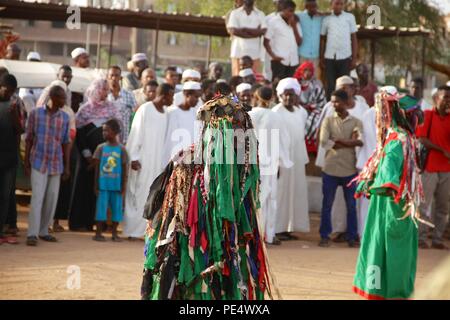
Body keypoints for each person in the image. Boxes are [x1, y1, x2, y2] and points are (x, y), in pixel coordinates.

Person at [140, 95, 273, 300]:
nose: (238, 135)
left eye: (242, 128)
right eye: (231, 129)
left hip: (229, 252)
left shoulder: (244, 170)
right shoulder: (186, 164)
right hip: (193, 250)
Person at [352, 90, 426, 300]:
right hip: (396, 205)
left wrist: (376, 184)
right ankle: (394, 292)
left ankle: (389, 292)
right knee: (394, 249)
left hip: (392, 204)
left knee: (385, 247)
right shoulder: (399, 138)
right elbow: (385, 171)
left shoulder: (397, 138)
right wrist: (375, 181)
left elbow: (388, 175)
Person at [123, 83, 174, 240]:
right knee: (138, 195)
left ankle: (146, 231)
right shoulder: (145, 109)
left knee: (151, 196)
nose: (173, 98)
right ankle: (132, 231)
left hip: (156, 162)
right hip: (142, 161)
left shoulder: (166, 113)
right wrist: (134, 158)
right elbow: (136, 134)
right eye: (171, 95)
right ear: (164, 96)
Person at [69, 79, 121, 232]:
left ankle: (99, 223)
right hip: (86, 158)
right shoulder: (85, 109)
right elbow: (80, 135)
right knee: (83, 187)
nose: (104, 93)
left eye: (106, 90)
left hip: (106, 159)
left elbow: (117, 132)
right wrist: (88, 156)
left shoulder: (112, 108)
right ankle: (79, 223)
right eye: (101, 89)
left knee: (101, 190)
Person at [24, 85, 71, 246]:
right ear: (53, 97)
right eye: (62, 98)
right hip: (38, 160)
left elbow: (66, 143)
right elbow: (29, 139)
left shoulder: (64, 118)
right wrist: (26, 163)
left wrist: (67, 166)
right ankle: (32, 234)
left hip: (55, 162)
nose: (65, 101)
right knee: (37, 198)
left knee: (51, 199)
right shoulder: (35, 114)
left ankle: (44, 231)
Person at [318, 89, 363, 248]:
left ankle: (352, 237)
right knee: (326, 205)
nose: (334, 104)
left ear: (345, 103)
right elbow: (324, 142)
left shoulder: (356, 121)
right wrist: (348, 141)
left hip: (349, 170)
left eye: (336, 101)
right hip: (330, 169)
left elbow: (359, 141)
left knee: (351, 206)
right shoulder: (328, 120)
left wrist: (337, 140)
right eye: (332, 101)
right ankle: (324, 236)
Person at [249, 86, 290, 245]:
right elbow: (284, 141)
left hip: (251, 163)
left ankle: (252, 234)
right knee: (269, 200)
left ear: (256, 97)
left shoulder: (249, 115)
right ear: (272, 98)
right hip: (270, 163)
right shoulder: (276, 117)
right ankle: (268, 235)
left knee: (252, 198)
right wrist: (281, 161)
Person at [37, 80, 77, 233]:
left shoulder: (68, 113)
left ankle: (53, 222)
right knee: (40, 194)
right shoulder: (39, 110)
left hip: (59, 158)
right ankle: (39, 226)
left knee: (55, 194)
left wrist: (65, 158)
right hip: (40, 159)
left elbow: (71, 137)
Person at [273, 78, 309, 241]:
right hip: (282, 159)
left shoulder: (302, 112)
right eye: (286, 94)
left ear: (297, 96)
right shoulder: (275, 113)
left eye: (292, 95)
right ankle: (277, 229)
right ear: (280, 95)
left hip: (297, 158)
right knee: (281, 193)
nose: (288, 98)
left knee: (296, 193)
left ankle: (289, 227)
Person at [416, 85, 450, 250]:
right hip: (429, 167)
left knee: (443, 206)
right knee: (423, 204)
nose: (448, 101)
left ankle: (437, 239)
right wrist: (442, 150)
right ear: (437, 99)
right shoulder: (428, 115)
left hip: (446, 168)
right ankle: (420, 238)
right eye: (446, 98)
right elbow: (422, 138)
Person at [93, 118, 129, 242]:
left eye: (106, 131)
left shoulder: (122, 149)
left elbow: (124, 168)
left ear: (115, 132)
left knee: (117, 209)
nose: (104, 134)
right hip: (103, 185)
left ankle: (114, 233)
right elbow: (97, 169)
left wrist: (123, 185)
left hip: (116, 186)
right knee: (101, 209)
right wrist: (95, 185)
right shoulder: (100, 148)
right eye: (103, 131)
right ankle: (98, 232)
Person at [320, 0, 358, 100]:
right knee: (330, 84)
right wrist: (321, 57)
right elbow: (323, 39)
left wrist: (354, 58)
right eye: (336, 3)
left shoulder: (350, 17)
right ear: (331, 4)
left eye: (341, 4)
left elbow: (354, 38)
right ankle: (330, 105)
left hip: (345, 56)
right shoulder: (326, 19)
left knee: (344, 83)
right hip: (329, 57)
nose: (339, 6)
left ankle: (344, 105)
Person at [0, 74, 22, 245]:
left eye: (13, 92)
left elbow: (20, 130)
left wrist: (14, 115)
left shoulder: (14, 105)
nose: (10, 95)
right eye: (7, 91)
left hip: (9, 158)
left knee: (5, 197)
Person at [264, 0, 302, 83]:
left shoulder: (296, 21)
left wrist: (294, 26)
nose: (292, 13)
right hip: (279, 60)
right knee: (277, 85)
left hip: (293, 61)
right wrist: (273, 56)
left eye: (293, 11)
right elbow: (266, 42)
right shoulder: (273, 22)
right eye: (290, 11)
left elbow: (299, 42)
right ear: (283, 10)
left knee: (290, 85)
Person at [164, 81, 202, 164]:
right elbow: (170, 140)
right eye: (196, 97)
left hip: (191, 159)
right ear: (187, 95)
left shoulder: (194, 112)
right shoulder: (172, 112)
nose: (197, 100)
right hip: (176, 159)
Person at [294, 61, 326, 154]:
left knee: (315, 119)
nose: (307, 73)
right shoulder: (295, 83)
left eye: (310, 70)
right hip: (298, 108)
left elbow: (321, 102)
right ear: (301, 71)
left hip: (314, 109)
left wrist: (309, 107)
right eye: (305, 70)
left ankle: (310, 145)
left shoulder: (317, 84)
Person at [227, 0, 267, 76]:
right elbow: (233, 31)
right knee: (237, 78)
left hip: (255, 53)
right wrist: (255, 32)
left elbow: (263, 31)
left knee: (254, 78)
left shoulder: (260, 14)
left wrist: (244, 29)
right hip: (238, 52)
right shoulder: (235, 13)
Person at [106, 65, 137, 144]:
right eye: (111, 75)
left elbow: (135, 115)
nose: (114, 78)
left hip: (124, 139)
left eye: (116, 75)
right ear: (107, 77)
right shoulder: (103, 95)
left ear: (120, 78)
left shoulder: (129, 95)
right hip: (106, 139)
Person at [297, 0, 326, 76]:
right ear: (306, 7)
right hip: (302, 52)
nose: (313, 9)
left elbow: (331, 14)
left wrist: (323, 13)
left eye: (314, 6)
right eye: (310, 7)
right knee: (302, 76)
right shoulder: (299, 16)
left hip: (315, 54)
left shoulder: (321, 17)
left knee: (314, 76)